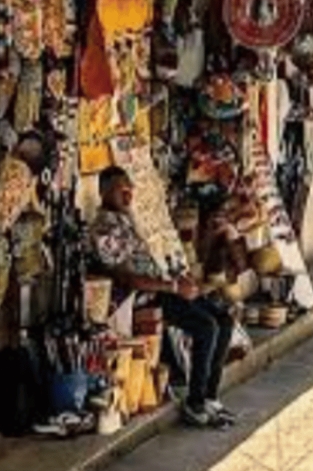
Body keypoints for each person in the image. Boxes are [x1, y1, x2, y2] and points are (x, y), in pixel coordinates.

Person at [89, 166, 235, 428]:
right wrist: (173, 288)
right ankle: (195, 401)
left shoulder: (127, 218)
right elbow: (128, 278)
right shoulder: (104, 229)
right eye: (121, 190)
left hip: (164, 286)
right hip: (144, 296)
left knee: (224, 319)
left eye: (129, 188)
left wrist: (180, 279)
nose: (128, 194)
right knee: (207, 327)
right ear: (103, 192)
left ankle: (210, 397)